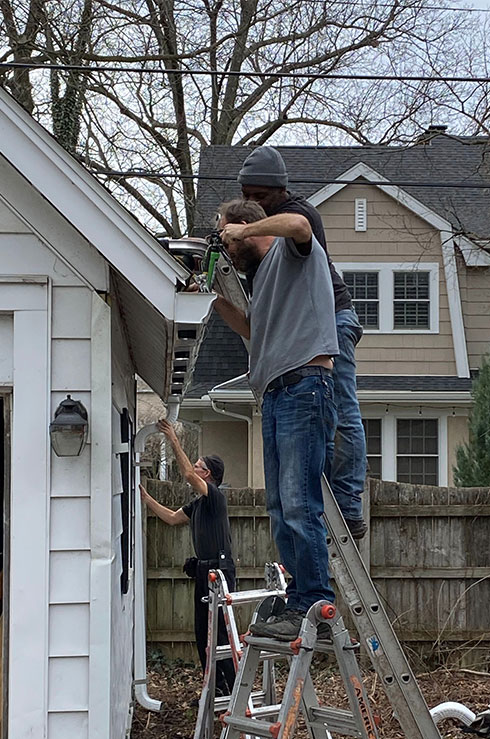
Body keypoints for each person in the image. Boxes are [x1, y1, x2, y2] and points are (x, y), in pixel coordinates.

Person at [214, 199, 338, 641]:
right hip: (275, 394)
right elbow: (251, 329)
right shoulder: (262, 280)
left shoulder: (292, 252)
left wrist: (242, 232)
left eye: (229, 235)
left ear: (248, 226)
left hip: (305, 384)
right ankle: (298, 598)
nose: (229, 248)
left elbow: (300, 223)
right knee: (280, 506)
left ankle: (315, 603)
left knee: (299, 502)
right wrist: (215, 295)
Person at [237, 146, 368, 539]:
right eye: (248, 196)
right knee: (326, 422)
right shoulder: (263, 257)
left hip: (333, 320)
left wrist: (244, 228)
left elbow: (296, 227)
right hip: (300, 338)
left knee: (342, 412)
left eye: (260, 196)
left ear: (279, 191)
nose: (254, 203)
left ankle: (348, 503)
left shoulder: (300, 213)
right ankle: (328, 490)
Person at [139, 419, 236, 695]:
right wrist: (146, 499)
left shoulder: (216, 498)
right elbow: (170, 518)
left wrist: (174, 441)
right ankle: (214, 690)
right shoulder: (197, 505)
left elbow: (187, 476)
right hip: (205, 572)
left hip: (220, 572)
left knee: (219, 634)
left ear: (208, 475)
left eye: (198, 465)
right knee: (203, 633)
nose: (193, 468)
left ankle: (230, 690)